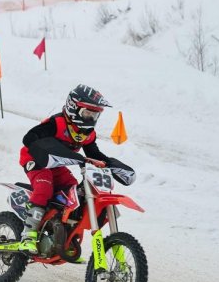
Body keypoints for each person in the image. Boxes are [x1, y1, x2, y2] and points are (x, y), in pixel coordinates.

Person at [17, 84, 136, 254]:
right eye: (87, 113)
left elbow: (94, 153)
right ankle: (28, 235)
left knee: (74, 193)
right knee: (44, 186)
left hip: (57, 164)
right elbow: (29, 138)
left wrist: (109, 163)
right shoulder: (57, 123)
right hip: (36, 160)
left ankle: (59, 229)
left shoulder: (87, 133)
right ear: (74, 107)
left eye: (95, 114)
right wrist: (54, 148)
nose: (91, 118)